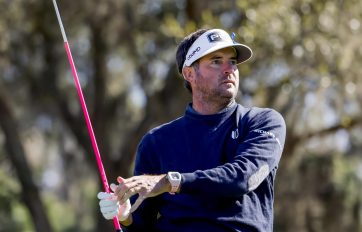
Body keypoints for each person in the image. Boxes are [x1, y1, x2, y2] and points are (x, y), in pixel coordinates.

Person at [97, 28, 286, 231]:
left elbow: (245, 177)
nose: (229, 69)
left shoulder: (262, 121)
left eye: (232, 61)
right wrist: (125, 216)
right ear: (189, 73)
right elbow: (142, 225)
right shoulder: (156, 141)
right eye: (216, 61)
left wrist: (170, 182)